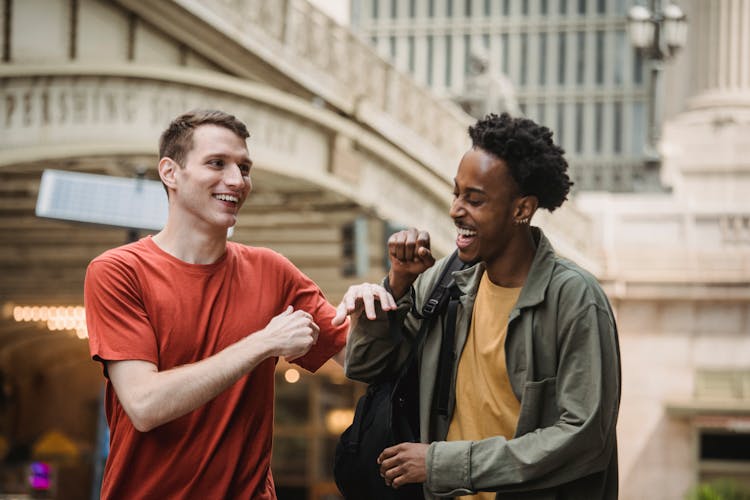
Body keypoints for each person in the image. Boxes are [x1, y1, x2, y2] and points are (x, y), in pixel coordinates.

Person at [333, 113, 621, 499]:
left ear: (521, 209)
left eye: (475, 199)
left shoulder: (574, 298)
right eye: (456, 193)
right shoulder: (444, 280)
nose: (455, 210)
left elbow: (584, 439)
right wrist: (398, 283)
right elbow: (365, 366)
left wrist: (440, 464)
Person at [84, 109, 348, 499]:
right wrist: (263, 343)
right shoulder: (118, 271)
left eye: (244, 167)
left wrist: (391, 287)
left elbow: (359, 359)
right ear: (170, 172)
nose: (236, 180)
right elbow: (144, 404)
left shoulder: (272, 271)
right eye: (217, 164)